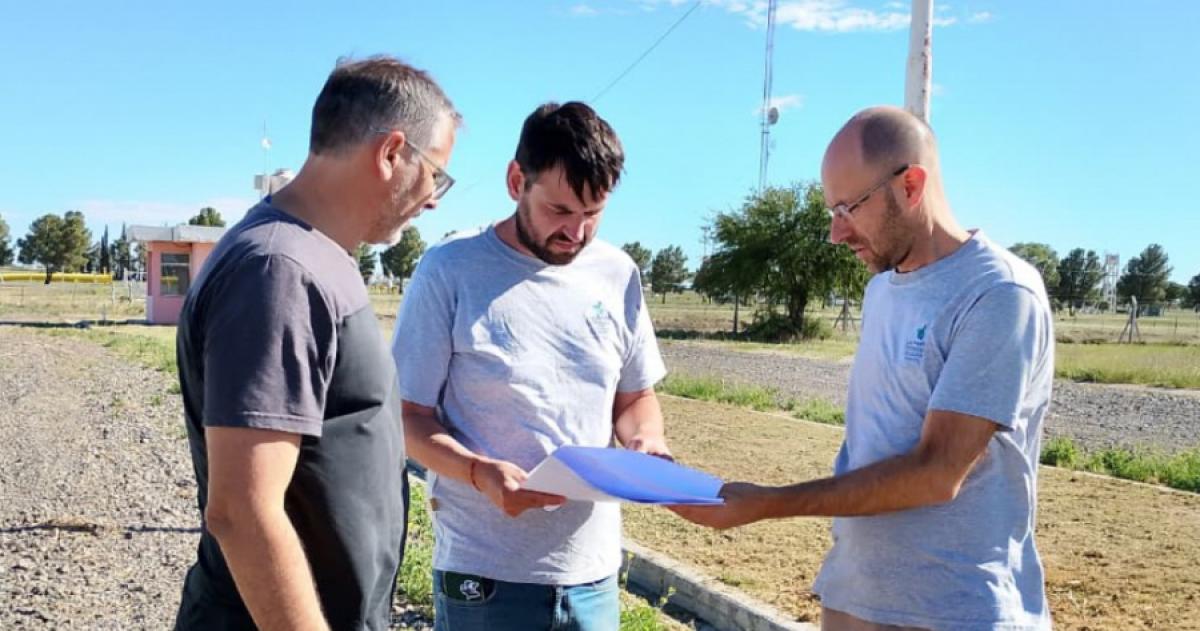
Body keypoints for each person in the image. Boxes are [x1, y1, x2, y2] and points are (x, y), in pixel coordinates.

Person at [672, 106, 1054, 631]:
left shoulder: (998, 293)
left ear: (911, 185)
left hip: (952, 611)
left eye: (848, 208)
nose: (836, 233)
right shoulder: (882, 291)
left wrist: (767, 503)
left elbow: (937, 472)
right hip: (855, 597)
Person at [174, 55, 460, 630]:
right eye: (436, 174)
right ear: (391, 152)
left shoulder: (314, 258)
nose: (433, 198)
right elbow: (242, 511)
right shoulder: (279, 271)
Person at [392, 101, 670, 631]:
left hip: (592, 573)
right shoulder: (449, 270)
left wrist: (645, 442)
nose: (577, 233)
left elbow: (635, 397)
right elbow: (407, 418)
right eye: (560, 211)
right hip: (486, 576)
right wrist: (479, 473)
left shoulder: (617, 274)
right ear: (517, 180)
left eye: (593, 213)